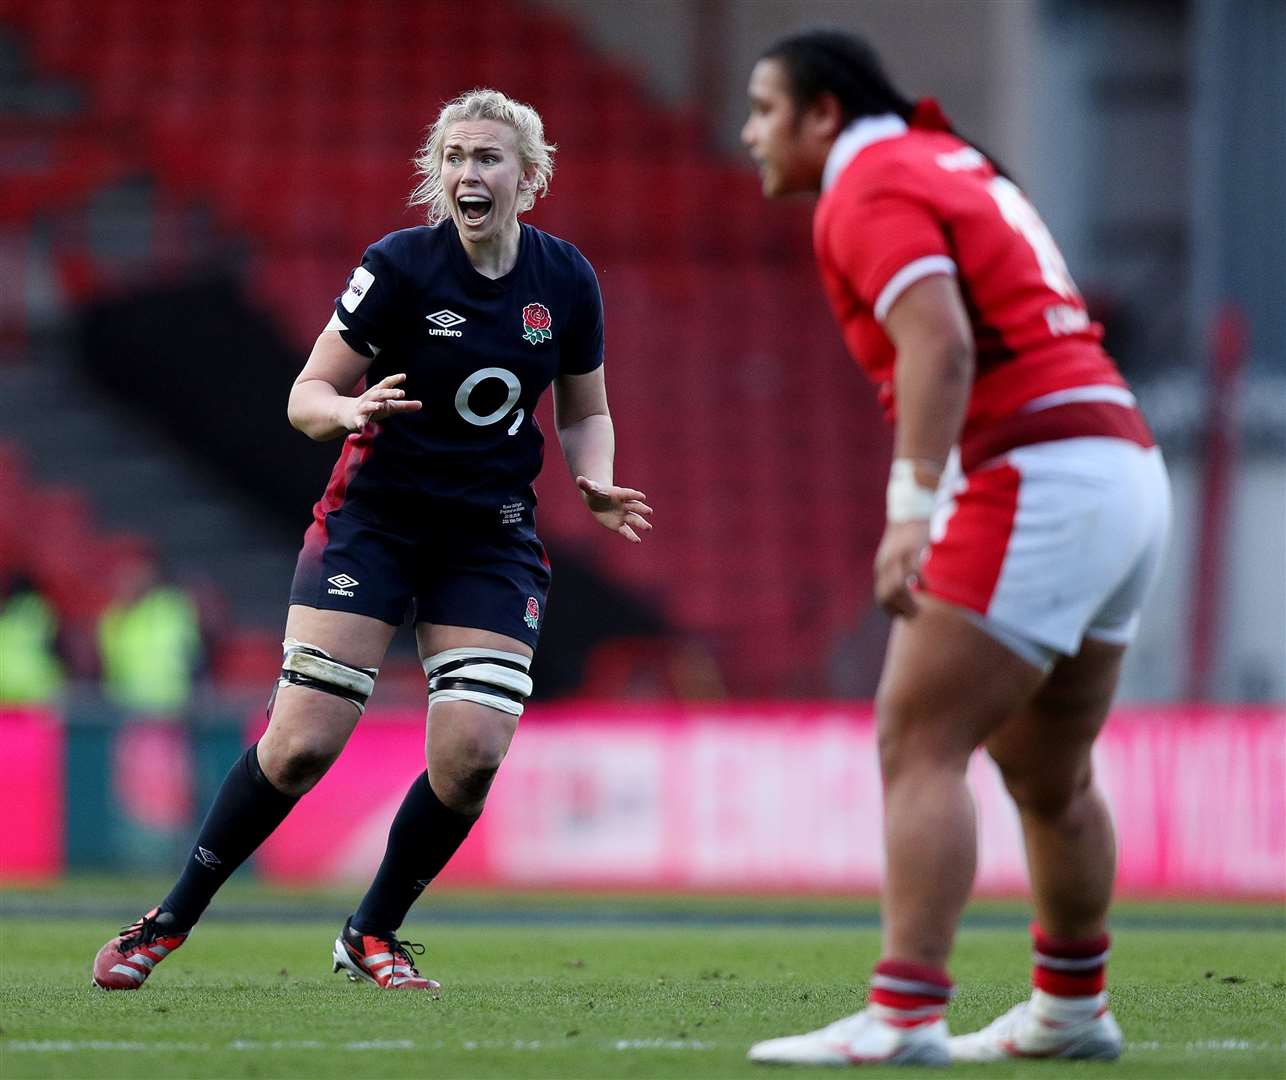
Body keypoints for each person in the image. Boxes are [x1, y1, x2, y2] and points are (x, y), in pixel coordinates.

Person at [92, 88, 652, 992]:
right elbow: (303, 393)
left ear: (529, 178)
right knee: (302, 743)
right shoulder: (399, 267)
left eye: (488, 158)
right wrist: (348, 408)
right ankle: (169, 920)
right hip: (374, 524)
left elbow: (585, 409)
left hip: (490, 536)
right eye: (456, 158)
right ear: (439, 174)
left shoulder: (566, 280)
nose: (469, 173)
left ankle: (372, 932)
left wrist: (593, 476)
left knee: (471, 756)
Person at [739, 29, 1170, 1066]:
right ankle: (1070, 1009)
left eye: (763, 108)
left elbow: (941, 339)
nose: (748, 132)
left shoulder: (867, 181)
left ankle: (903, 1016)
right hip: (1120, 467)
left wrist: (910, 506)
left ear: (821, 115)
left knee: (915, 739)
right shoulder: (944, 158)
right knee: (1045, 770)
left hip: (1034, 470)